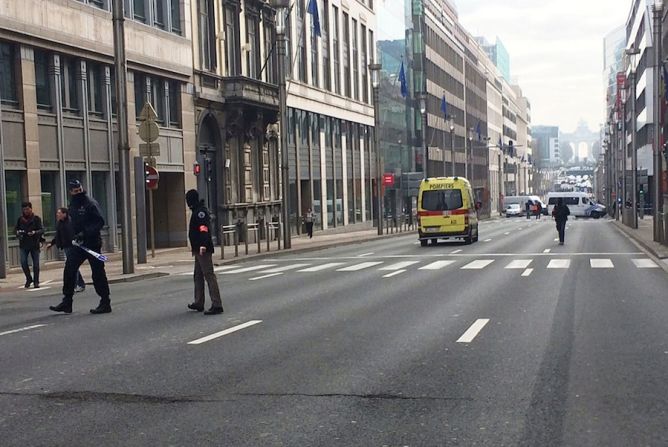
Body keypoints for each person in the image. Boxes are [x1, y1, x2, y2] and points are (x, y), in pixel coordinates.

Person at [50, 180, 111, 314]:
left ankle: (105, 301)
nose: (78, 193)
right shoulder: (73, 204)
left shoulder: (90, 203)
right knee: (69, 270)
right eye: (75, 191)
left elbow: (99, 221)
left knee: (98, 273)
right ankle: (67, 301)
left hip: (92, 243)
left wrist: (85, 233)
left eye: (79, 190)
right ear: (71, 192)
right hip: (78, 244)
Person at [186, 189, 224, 315]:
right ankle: (199, 302)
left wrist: (202, 244)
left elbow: (203, 229)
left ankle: (217, 304)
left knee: (208, 275)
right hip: (198, 249)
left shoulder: (200, 212)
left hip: (203, 249)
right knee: (198, 275)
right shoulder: (197, 211)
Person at [46, 207, 86, 293]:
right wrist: (52, 243)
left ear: (64, 214)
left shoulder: (71, 222)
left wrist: (77, 241)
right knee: (73, 266)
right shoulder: (59, 223)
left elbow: (76, 233)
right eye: (57, 213)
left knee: (72, 266)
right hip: (66, 246)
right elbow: (58, 235)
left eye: (59, 213)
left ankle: (75, 285)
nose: (57, 214)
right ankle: (81, 284)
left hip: (73, 246)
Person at [14, 202, 44, 288]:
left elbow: (42, 230)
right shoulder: (20, 219)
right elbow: (16, 229)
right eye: (24, 209)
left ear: (31, 209)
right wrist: (18, 232)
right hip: (24, 244)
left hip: (34, 243)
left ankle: (36, 281)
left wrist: (35, 232)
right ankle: (29, 278)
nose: (26, 211)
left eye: (27, 209)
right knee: (23, 262)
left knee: (36, 264)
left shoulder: (36, 219)